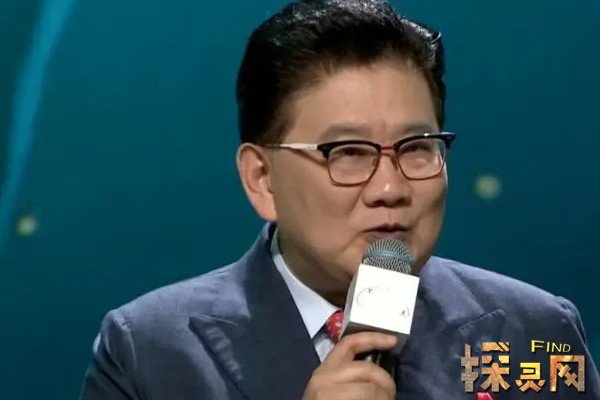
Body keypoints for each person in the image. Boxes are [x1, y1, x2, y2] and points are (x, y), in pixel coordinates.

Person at [80, 1, 600, 399]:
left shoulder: (538, 331)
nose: (390, 189)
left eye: (416, 148)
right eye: (348, 153)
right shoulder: (149, 353)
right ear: (262, 178)